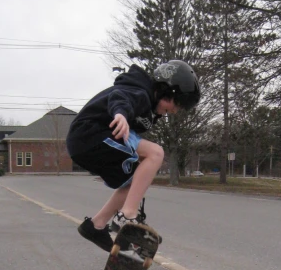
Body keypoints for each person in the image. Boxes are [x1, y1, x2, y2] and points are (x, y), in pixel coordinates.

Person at [66, 60, 201, 252]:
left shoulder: (150, 106)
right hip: (89, 135)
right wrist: (120, 114)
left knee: (137, 179)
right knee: (156, 153)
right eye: (176, 103)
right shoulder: (140, 92)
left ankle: (96, 225)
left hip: (93, 139)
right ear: (165, 90)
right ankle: (127, 215)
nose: (175, 110)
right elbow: (120, 97)